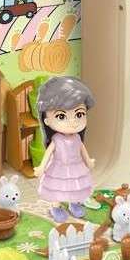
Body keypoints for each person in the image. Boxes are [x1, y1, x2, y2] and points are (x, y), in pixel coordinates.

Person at [35, 75, 96, 222]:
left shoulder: (77, 138)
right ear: (47, 121)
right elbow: (48, 154)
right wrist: (42, 168)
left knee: (75, 186)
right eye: (61, 116)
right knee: (58, 187)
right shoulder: (56, 140)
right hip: (59, 168)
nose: (73, 122)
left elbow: (82, 150)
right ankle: (55, 207)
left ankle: (74, 204)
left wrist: (88, 162)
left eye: (79, 114)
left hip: (76, 166)